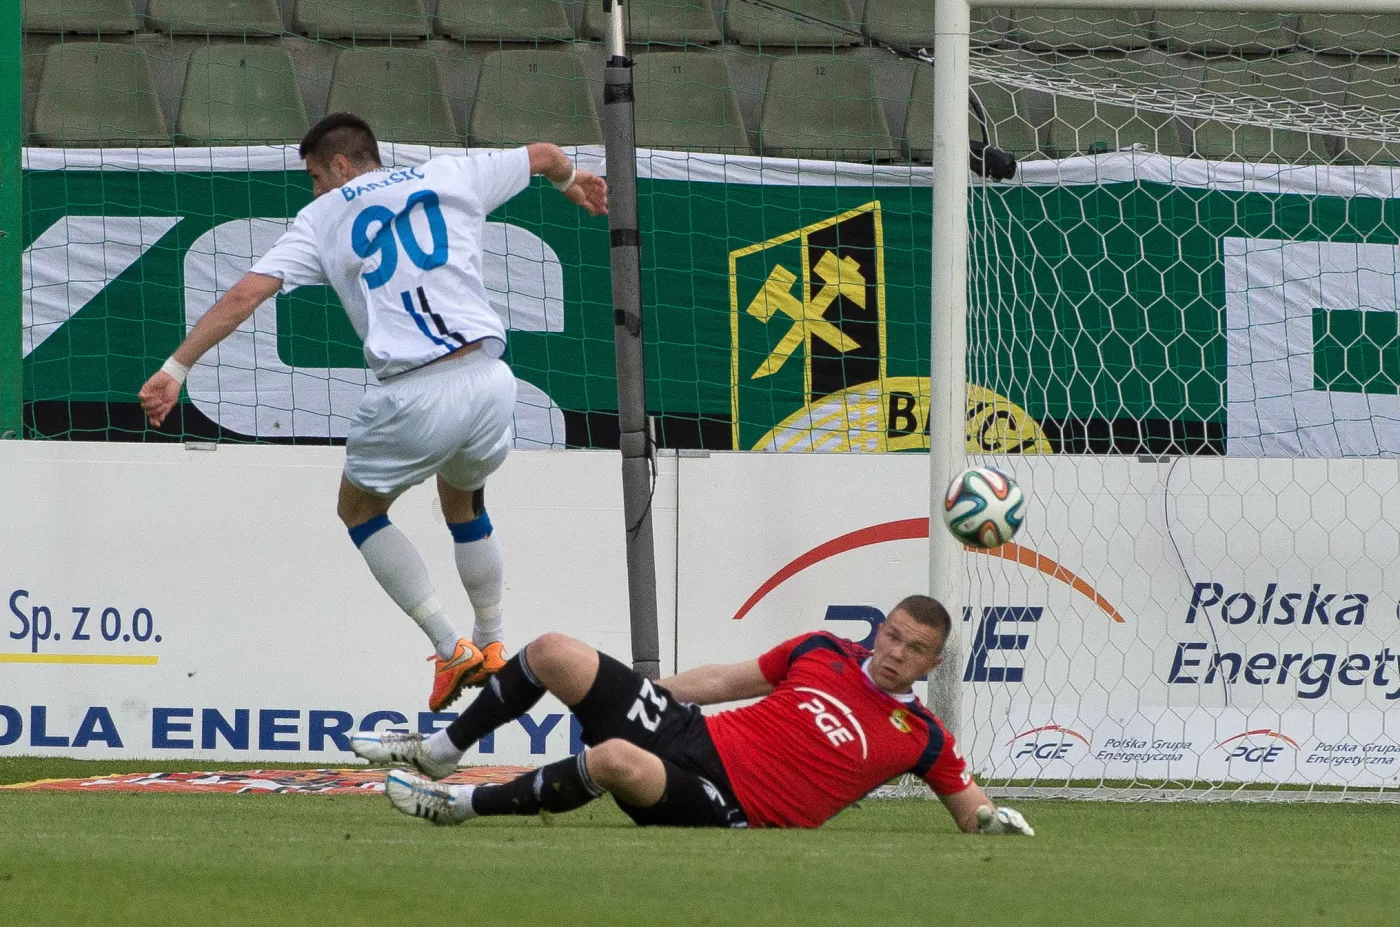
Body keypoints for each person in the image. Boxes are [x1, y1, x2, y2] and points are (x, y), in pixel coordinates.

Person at [138, 113, 608, 712]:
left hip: (414, 389)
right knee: (462, 499)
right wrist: (570, 183)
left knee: (357, 510)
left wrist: (175, 368)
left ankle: (450, 648)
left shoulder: (322, 217)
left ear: (340, 165)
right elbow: (543, 150)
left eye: (313, 175)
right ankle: (492, 640)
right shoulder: (452, 174)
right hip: (491, 380)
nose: (312, 190)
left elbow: (243, 296)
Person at [351, 594, 1035, 834]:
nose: (894, 653)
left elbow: (972, 811)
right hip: (690, 731)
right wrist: (629, 696)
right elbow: (720, 679)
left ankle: (460, 806)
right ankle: (443, 748)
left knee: (615, 761)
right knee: (556, 650)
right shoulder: (822, 648)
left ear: (932, 665)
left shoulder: (923, 736)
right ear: (878, 627)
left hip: (722, 801)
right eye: (891, 634)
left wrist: (994, 822)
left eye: (914, 649)